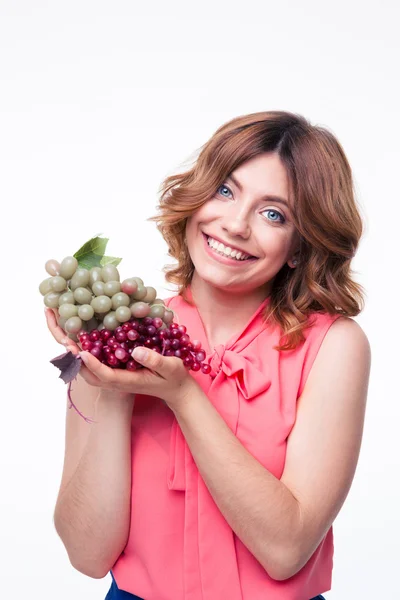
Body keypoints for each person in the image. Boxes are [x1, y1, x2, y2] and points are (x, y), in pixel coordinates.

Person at [45, 110, 371, 600]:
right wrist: (114, 383)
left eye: (273, 213)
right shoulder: (118, 330)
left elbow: (286, 550)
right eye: (225, 190)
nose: (235, 224)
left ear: (301, 247)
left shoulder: (334, 347)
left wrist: (184, 396)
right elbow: (87, 555)